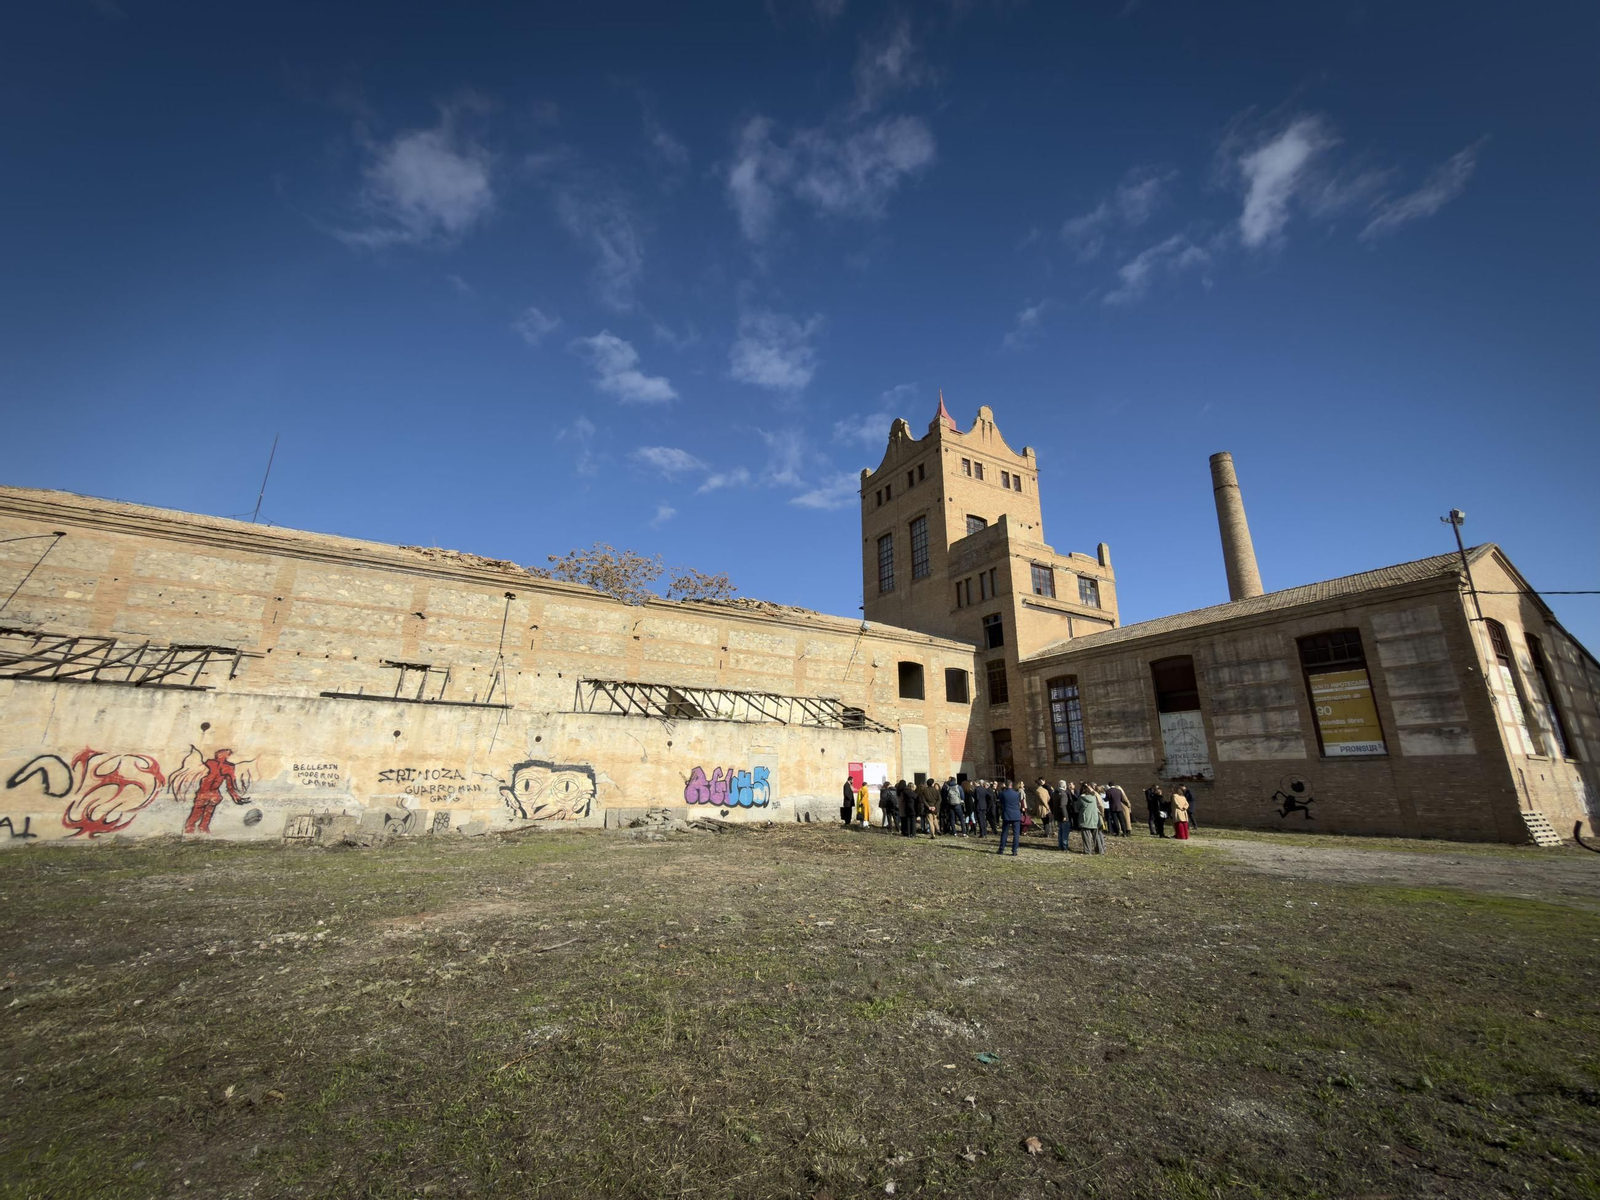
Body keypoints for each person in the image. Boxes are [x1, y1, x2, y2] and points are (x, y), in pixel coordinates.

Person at [1075, 781, 1105, 854]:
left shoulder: (1081, 798)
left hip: (1085, 818)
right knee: (1096, 836)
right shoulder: (1094, 797)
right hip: (1094, 818)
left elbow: (1077, 808)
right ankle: (1099, 850)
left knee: (1086, 836)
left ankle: (1088, 850)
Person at [997, 779, 1023, 856]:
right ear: (1011, 785)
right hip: (1016, 814)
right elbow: (1018, 802)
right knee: (1016, 833)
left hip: (1007, 814)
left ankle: (1001, 849)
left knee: (1005, 832)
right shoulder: (1017, 793)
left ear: (1005, 785)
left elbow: (1001, 803)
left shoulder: (1002, 793)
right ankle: (1014, 850)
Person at [1053, 779, 1072, 852]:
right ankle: (1065, 847)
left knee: (1060, 831)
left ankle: (1060, 846)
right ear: (1065, 786)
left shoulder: (1055, 793)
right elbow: (1063, 805)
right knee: (1065, 832)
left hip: (1057, 815)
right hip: (1064, 815)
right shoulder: (1063, 794)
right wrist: (1064, 816)